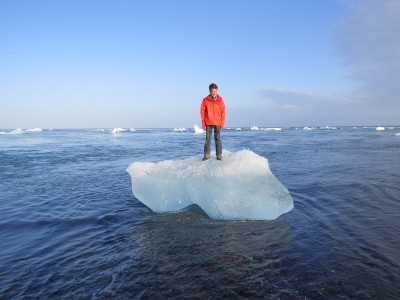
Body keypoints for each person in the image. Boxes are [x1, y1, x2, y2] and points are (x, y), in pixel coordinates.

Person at [200, 83, 226, 161]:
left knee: (217, 139)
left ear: (217, 91)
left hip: (218, 122)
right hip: (208, 122)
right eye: (212, 91)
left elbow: (223, 112)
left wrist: (222, 123)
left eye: (215, 91)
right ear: (210, 91)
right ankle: (207, 155)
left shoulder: (220, 100)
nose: (214, 93)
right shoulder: (205, 100)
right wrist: (203, 123)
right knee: (208, 139)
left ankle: (219, 155)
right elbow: (202, 112)